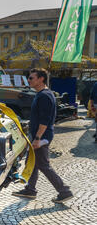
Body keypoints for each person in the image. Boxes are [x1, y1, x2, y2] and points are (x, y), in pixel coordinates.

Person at [12, 68, 73, 203]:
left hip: (42, 136)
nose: (28, 80)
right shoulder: (41, 94)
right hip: (38, 135)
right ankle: (30, 189)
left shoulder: (44, 96)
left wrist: (38, 138)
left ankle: (64, 191)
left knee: (43, 165)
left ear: (41, 79)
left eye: (31, 78)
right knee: (33, 162)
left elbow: (44, 120)